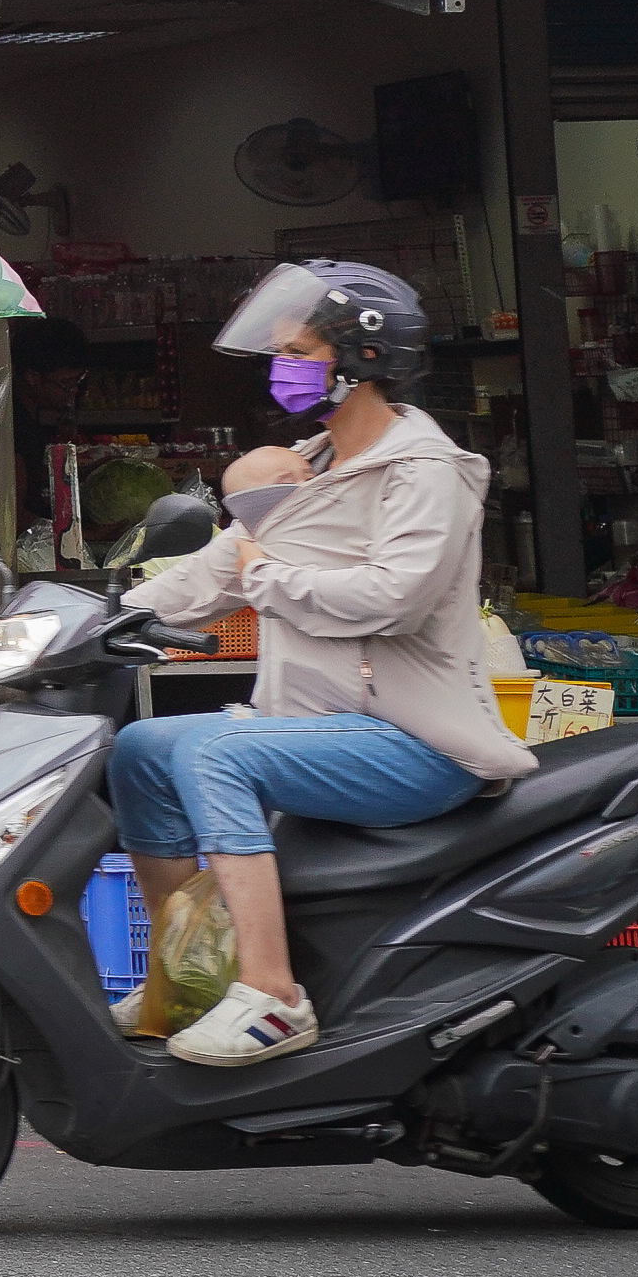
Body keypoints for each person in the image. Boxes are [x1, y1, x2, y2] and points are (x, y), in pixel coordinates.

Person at [107, 258, 531, 1069]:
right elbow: (215, 572)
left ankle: (272, 995)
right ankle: (189, 977)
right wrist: (93, 619)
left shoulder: (425, 471)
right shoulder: (310, 463)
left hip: (413, 741)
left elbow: (395, 598)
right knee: (141, 751)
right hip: (317, 729)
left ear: (366, 358)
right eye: (280, 353)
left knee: (214, 754)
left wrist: (269, 578)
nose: (282, 368)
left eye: (299, 352)